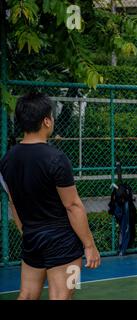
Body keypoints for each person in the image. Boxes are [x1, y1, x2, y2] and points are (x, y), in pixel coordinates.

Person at [0, 92, 100, 300]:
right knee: (63, 295)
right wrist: (89, 245)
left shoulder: (7, 159)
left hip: (32, 238)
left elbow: (13, 203)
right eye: (52, 116)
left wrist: (27, 233)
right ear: (46, 121)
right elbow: (72, 205)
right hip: (63, 242)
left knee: (26, 295)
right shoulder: (56, 158)